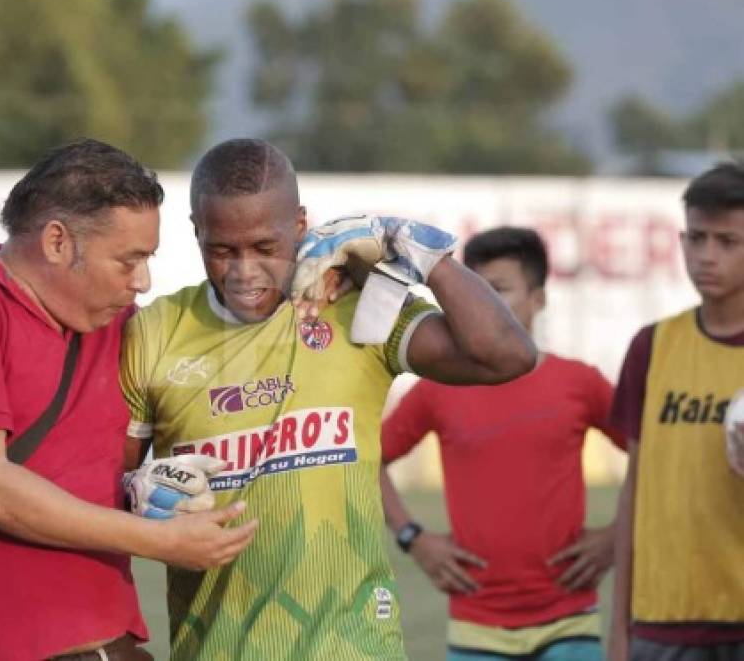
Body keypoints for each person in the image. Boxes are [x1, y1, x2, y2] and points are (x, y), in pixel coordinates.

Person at [119, 138, 537, 659]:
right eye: (222, 249)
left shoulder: (356, 308)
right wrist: (134, 496)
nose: (244, 271)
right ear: (196, 230)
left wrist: (418, 251)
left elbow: (508, 356)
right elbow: (102, 494)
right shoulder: (154, 334)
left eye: (265, 248)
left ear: (299, 226)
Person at [0, 138, 258, 661]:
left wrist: (149, 491)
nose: (142, 282)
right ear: (56, 241)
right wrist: (159, 542)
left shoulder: (119, 322)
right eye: (128, 260)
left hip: (110, 644)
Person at [380, 226, 626, 661]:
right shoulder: (436, 390)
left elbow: (655, 456)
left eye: (499, 290)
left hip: (571, 620)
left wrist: (618, 534)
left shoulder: (579, 382)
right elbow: (366, 459)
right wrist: (412, 536)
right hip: (476, 626)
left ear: (539, 298)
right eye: (476, 292)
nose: (485, 306)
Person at [608, 163, 744, 661]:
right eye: (698, 238)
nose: (708, 256)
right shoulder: (652, 347)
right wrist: (620, 629)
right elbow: (634, 488)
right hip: (662, 623)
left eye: (728, 241)